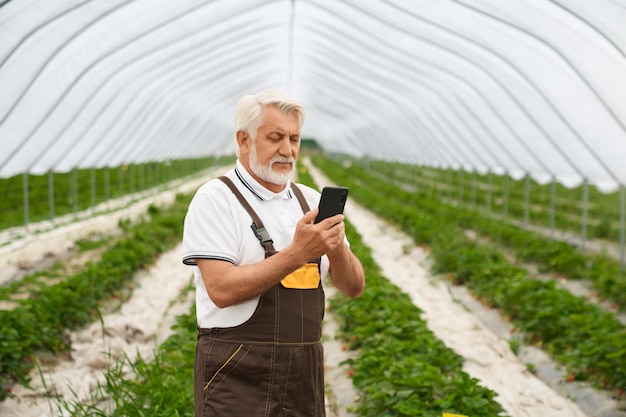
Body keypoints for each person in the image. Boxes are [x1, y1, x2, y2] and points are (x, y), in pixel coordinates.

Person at [182, 89, 365, 417]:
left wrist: (336, 248)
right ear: (244, 140)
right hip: (237, 372)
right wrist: (297, 253)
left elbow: (353, 287)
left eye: (294, 138)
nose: (288, 150)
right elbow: (221, 290)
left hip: (303, 374)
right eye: (275, 137)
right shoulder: (216, 200)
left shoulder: (310, 201)